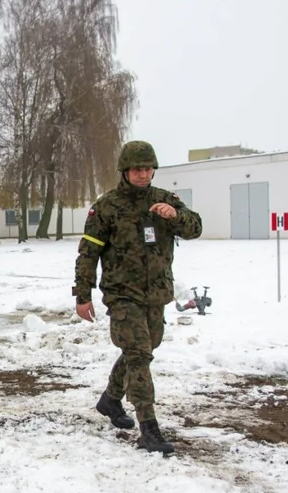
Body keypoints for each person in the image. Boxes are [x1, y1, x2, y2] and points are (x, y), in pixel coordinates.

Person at [73, 140, 203, 454]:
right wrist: (83, 294)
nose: (143, 174)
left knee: (144, 348)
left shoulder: (165, 200)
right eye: (137, 169)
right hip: (122, 295)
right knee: (139, 355)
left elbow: (195, 227)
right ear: (125, 171)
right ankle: (149, 428)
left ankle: (110, 399)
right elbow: (88, 253)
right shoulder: (107, 206)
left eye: (147, 169)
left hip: (156, 293)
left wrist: (175, 217)